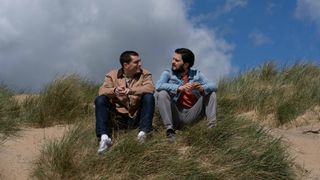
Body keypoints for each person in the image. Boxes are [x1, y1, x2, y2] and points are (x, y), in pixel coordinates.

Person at [95, 50, 155, 153]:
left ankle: (142, 134)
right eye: (136, 62)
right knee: (100, 100)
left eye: (140, 61)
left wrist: (131, 91)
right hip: (118, 117)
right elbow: (102, 90)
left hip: (137, 116)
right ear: (126, 65)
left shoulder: (145, 74)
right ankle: (104, 138)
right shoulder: (112, 75)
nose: (140, 64)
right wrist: (115, 91)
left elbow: (150, 88)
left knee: (149, 97)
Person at [155, 48, 217, 142]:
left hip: (193, 113)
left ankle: (212, 128)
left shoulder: (197, 74)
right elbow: (158, 86)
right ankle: (170, 130)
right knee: (162, 94)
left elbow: (214, 85)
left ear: (186, 64)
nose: (173, 62)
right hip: (176, 114)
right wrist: (179, 88)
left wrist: (201, 88)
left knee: (211, 93)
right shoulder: (168, 73)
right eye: (173, 59)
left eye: (176, 60)